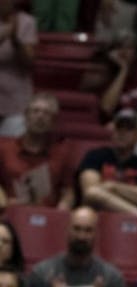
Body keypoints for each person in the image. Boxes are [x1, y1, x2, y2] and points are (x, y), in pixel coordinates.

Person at [24, 206, 131, 287]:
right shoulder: (43, 272)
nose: (81, 236)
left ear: (96, 234)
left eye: (88, 230)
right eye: (77, 229)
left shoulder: (111, 276)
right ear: (67, 230)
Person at [78, 108, 137, 217]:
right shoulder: (96, 156)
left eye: (129, 128)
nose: (122, 132)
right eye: (119, 127)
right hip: (96, 217)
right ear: (113, 132)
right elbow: (91, 192)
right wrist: (135, 194)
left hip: (133, 224)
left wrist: (113, 187)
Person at [0, 92, 75, 210]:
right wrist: (5, 204)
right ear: (25, 116)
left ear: (53, 121)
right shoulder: (4, 148)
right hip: (9, 215)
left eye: (46, 113)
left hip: (48, 217)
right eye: (35, 111)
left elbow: (68, 190)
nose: (40, 116)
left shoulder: (62, 153)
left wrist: (62, 210)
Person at [0, 0, 37, 138]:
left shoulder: (26, 21)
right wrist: (4, 34)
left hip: (16, 100)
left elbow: (29, 62)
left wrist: (16, 40)